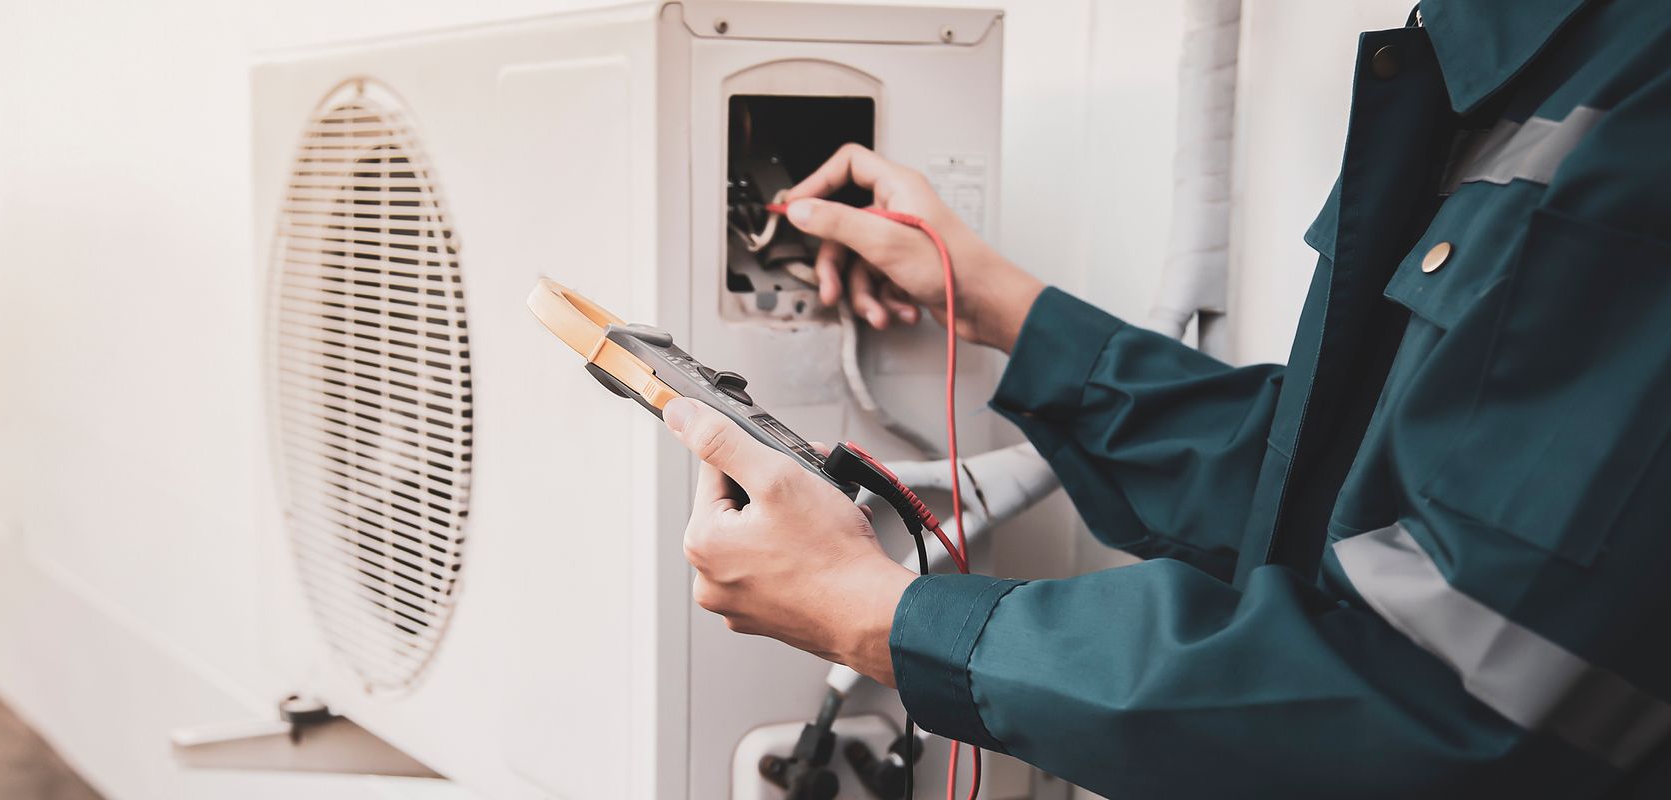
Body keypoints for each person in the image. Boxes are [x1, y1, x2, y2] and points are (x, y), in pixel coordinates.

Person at [662, 1, 1671, 796]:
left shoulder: (1638, 100)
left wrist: (883, 615)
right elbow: (1327, 476)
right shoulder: (1503, 61)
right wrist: (1001, 302)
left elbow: (1434, 696)